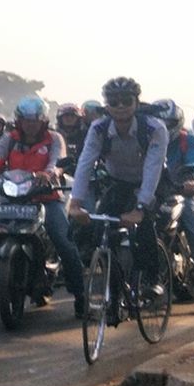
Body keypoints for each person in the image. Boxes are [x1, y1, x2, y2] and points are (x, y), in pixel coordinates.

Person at [0, 96, 86, 314]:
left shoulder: (54, 139)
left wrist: (49, 173)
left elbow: (58, 161)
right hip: (12, 197)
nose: (30, 124)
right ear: (19, 121)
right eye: (25, 120)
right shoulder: (9, 139)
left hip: (46, 198)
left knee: (63, 241)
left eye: (34, 120)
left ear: (43, 121)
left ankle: (80, 293)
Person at [68, 77, 169, 285]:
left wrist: (140, 208)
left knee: (144, 226)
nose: (120, 106)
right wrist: (75, 202)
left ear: (137, 103)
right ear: (107, 106)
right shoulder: (98, 128)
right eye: (114, 102)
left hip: (150, 183)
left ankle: (153, 279)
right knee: (99, 232)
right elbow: (85, 163)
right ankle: (113, 285)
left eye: (126, 100)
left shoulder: (154, 128)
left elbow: (152, 169)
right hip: (119, 182)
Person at [153, 99, 194, 298]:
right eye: (161, 124)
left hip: (183, 193)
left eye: (168, 124)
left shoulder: (187, 139)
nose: (165, 128)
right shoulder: (149, 138)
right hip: (156, 193)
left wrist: (190, 178)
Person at [54, 102, 88, 168]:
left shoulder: (85, 135)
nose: (69, 118)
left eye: (72, 116)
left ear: (78, 119)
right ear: (60, 118)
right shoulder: (54, 136)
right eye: (66, 115)